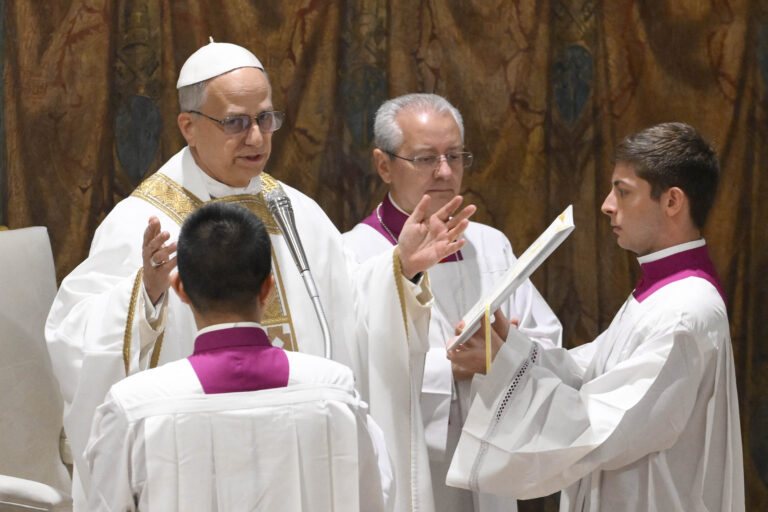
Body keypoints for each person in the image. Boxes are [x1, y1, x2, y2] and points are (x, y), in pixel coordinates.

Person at [46, 41, 474, 511]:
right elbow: (74, 339)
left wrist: (402, 269)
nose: (256, 138)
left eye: (265, 119)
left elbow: (347, 308)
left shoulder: (294, 211)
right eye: (235, 122)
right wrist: (145, 296)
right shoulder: (142, 221)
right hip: (194, 466)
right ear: (188, 126)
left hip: (297, 462)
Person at [445, 122, 745, 511]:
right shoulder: (662, 291)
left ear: (672, 202)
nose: (607, 204)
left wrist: (504, 367)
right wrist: (507, 352)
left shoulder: (686, 310)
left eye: (623, 191)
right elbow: (592, 374)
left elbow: (597, 426)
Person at [85, 202, 393, 511]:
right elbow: (374, 494)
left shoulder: (135, 408)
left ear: (179, 288)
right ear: (267, 290)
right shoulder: (337, 393)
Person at [343, 93, 562, 512]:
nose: (445, 171)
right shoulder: (353, 254)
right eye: (426, 158)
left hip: (489, 459)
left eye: (455, 156)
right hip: (409, 465)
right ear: (384, 165)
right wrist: (454, 367)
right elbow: (353, 363)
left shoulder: (490, 245)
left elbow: (547, 338)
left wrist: (505, 353)